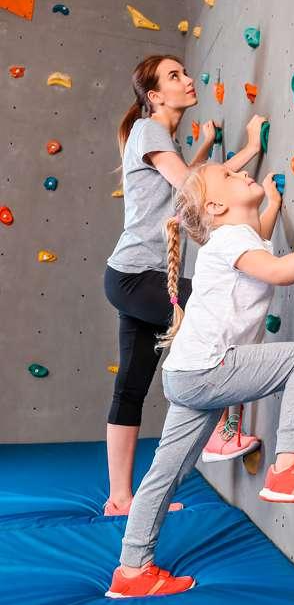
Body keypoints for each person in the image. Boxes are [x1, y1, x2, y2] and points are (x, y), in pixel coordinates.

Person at [105, 160, 294, 598]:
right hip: (208, 368)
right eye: (229, 176)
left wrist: (272, 205)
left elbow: (259, 243)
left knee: (165, 473)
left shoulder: (233, 239)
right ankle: (289, 466)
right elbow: (277, 271)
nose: (242, 174)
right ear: (217, 207)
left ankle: (131, 570)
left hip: (185, 373)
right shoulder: (230, 241)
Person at [104, 54, 265, 516]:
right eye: (174, 76)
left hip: (130, 277)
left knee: (131, 386)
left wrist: (210, 148)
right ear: (155, 96)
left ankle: (120, 499)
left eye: (184, 72)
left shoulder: (157, 137)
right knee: (212, 319)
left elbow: (181, 190)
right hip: (139, 277)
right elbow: (195, 189)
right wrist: (250, 149)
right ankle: (221, 430)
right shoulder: (149, 129)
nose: (188, 80)